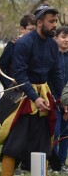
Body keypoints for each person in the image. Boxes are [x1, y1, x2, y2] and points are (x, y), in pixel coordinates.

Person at [0, 4, 64, 175]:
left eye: (56, 21)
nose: (55, 24)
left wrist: (64, 102)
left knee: (43, 148)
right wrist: (35, 98)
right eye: (51, 21)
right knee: (12, 146)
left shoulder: (52, 45)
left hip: (44, 97)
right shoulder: (23, 43)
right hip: (22, 97)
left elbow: (56, 74)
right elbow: (20, 74)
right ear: (40, 23)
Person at [0, 14, 36, 89]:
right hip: (16, 91)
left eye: (35, 30)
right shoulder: (12, 45)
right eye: (31, 30)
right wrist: (10, 85)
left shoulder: (36, 46)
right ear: (22, 29)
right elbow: (0, 67)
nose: (34, 33)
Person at [50, 26, 68, 170]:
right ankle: (53, 162)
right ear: (56, 37)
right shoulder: (50, 55)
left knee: (65, 133)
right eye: (63, 36)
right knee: (54, 132)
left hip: (67, 102)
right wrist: (57, 99)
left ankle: (61, 162)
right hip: (53, 101)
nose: (66, 40)